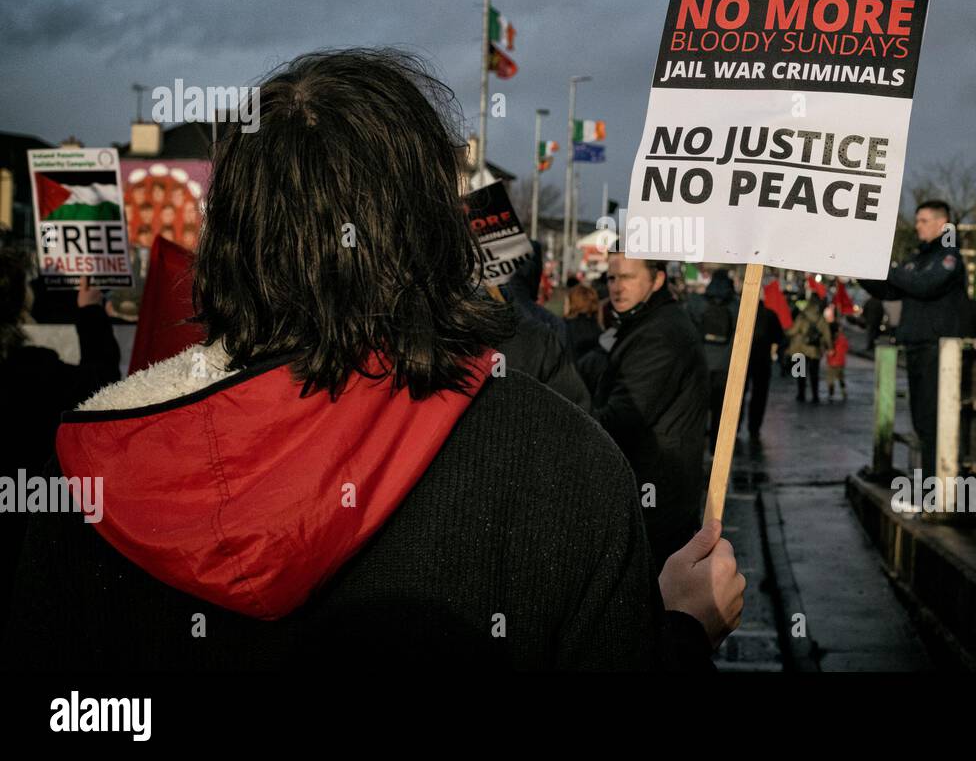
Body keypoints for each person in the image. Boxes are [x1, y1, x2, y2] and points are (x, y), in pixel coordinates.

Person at [3, 49, 743, 670]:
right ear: (432, 231)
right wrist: (680, 635)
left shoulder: (94, 479)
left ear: (226, 241)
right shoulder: (568, 466)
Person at [0, 260, 121, 637]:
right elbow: (102, 387)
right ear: (21, 304)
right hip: (26, 555)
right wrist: (90, 313)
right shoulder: (35, 375)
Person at [591, 252, 710, 569]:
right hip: (656, 493)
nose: (617, 287)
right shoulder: (648, 322)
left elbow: (621, 420)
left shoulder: (659, 333)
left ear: (657, 279)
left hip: (656, 500)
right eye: (612, 278)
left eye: (628, 277)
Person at [861, 200, 967, 479]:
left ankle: (940, 486)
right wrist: (862, 268)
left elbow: (923, 285)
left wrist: (888, 270)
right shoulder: (919, 258)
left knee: (934, 420)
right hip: (918, 346)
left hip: (939, 349)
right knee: (921, 420)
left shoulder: (948, 257)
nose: (917, 225)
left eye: (923, 220)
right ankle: (931, 482)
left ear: (941, 223)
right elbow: (889, 290)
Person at [687, 268, 740, 439]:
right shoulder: (736, 306)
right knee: (721, 409)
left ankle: (699, 443)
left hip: (702, 363)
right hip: (726, 365)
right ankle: (716, 447)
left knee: (699, 408)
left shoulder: (698, 303)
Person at [744, 302, 782, 444]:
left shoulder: (742, 310)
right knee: (759, 394)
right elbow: (779, 337)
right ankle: (754, 427)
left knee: (739, 393)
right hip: (762, 359)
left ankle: (735, 426)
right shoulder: (770, 314)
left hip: (743, 358)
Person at [786, 296, 831, 403]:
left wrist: (786, 332)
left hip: (801, 349)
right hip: (814, 349)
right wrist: (830, 347)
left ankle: (801, 395)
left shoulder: (802, 317)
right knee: (814, 373)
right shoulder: (821, 318)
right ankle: (815, 396)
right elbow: (826, 334)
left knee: (801, 373)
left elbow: (794, 331)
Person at [563, 283, 603, 363]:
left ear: (572, 304)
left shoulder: (563, 327)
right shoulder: (597, 327)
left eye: (566, 303)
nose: (564, 306)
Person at [824, 319, 849, 400]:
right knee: (841, 377)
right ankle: (843, 391)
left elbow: (826, 348)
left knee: (830, 379)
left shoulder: (829, 339)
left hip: (831, 362)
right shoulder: (842, 339)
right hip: (840, 363)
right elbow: (846, 347)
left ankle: (831, 393)